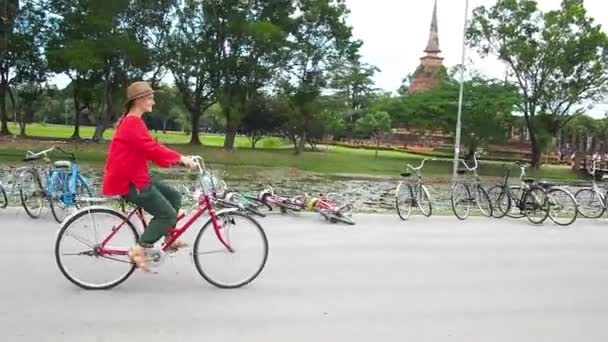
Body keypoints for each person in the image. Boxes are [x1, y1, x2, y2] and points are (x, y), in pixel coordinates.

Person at [102, 81, 198, 272]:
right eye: (150, 97)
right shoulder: (131, 123)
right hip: (130, 182)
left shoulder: (133, 122)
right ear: (138, 100)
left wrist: (177, 160)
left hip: (136, 177)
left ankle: (168, 235)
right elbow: (151, 148)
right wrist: (180, 158)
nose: (153, 101)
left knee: (174, 196)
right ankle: (140, 248)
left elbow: (148, 149)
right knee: (167, 214)